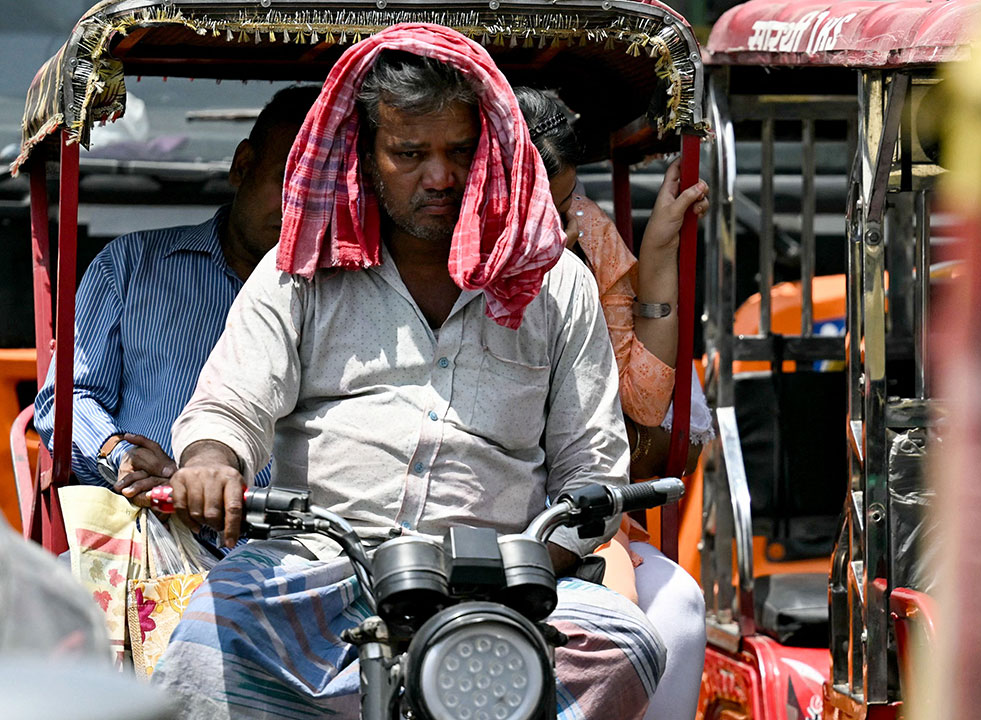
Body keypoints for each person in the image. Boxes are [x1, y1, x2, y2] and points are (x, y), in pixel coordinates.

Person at [150, 25, 663, 720]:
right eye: (409, 153)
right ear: (364, 157)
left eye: (458, 152)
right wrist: (211, 459)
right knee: (208, 637)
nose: (440, 177)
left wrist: (531, 568)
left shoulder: (558, 285)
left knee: (626, 642)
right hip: (321, 571)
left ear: (490, 152)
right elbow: (230, 405)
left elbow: (591, 467)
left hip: (505, 583)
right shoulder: (299, 269)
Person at [516, 86, 711, 720]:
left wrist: (653, 253)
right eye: (544, 199)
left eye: (568, 198)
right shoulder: (430, 258)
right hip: (464, 515)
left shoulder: (585, 241)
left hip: (575, 513)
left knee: (671, 611)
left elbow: (647, 405)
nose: (560, 214)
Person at [32, 86, 321, 505]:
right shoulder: (131, 264)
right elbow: (68, 399)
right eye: (288, 181)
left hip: (296, 539)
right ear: (242, 166)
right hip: (149, 523)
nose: (300, 207)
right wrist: (122, 457)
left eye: (323, 191)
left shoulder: (348, 290)